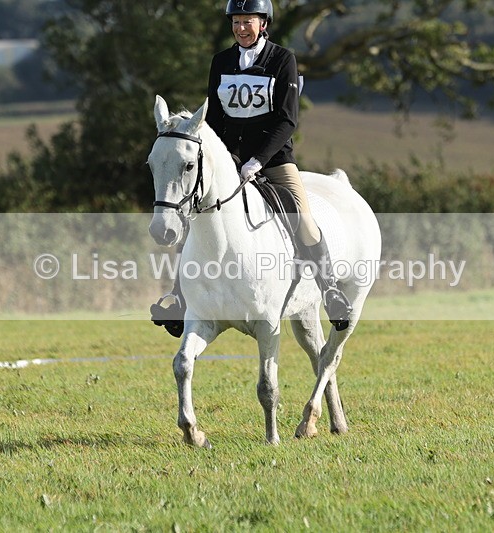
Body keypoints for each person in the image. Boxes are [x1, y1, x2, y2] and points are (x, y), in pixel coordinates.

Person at [151, 0, 353, 336]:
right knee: (191, 214)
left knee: (300, 215)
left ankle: (330, 290)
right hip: (227, 159)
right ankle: (179, 296)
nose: (241, 28)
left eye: (249, 21)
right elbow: (213, 118)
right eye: (237, 22)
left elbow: (287, 119)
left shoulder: (282, 59)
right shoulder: (222, 62)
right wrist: (220, 159)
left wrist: (258, 160)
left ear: (264, 23)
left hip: (273, 159)